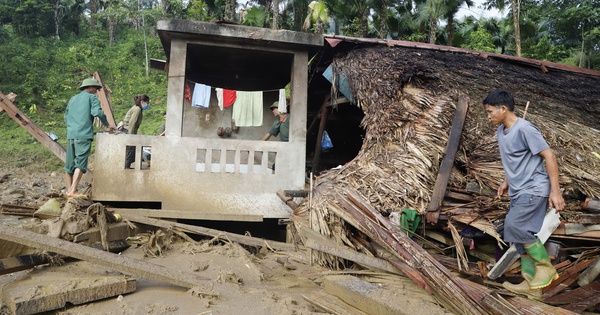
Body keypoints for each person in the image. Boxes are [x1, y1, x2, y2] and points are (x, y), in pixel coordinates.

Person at [484, 89, 565, 298]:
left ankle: (545, 266)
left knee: (514, 225)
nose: (488, 115)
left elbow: (549, 156)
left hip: (534, 187)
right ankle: (532, 285)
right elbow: (514, 160)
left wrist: (555, 192)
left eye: (490, 111)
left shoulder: (525, 129)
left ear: (503, 109)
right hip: (518, 190)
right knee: (517, 235)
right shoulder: (501, 132)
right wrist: (506, 182)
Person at [64, 77, 114, 197]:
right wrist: (107, 125)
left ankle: (69, 190)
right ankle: (73, 190)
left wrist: (72, 127)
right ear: (91, 88)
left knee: (69, 164)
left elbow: (66, 116)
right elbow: (98, 112)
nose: (96, 91)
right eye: (96, 89)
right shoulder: (92, 98)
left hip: (71, 134)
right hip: (83, 134)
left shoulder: (73, 99)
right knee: (80, 162)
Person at [122, 94, 150, 169]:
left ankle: (126, 166)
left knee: (131, 151)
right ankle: (126, 166)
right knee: (130, 150)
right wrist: (131, 137)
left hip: (128, 130)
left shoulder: (137, 108)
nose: (147, 105)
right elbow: (132, 123)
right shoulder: (137, 109)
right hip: (128, 131)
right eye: (147, 103)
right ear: (142, 101)